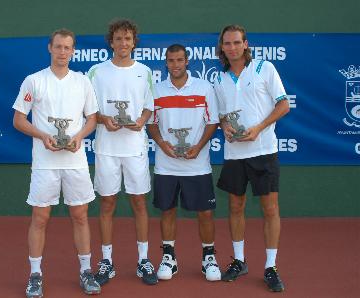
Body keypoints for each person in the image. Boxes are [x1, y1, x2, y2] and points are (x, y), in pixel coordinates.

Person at [12, 28, 101, 297]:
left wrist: (79, 137)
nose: (63, 52)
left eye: (68, 48)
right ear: (49, 48)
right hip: (44, 162)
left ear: (73, 51)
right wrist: (42, 135)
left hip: (75, 161)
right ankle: (35, 275)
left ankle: (86, 270)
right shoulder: (33, 81)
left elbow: (92, 119)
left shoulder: (83, 82)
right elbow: (18, 120)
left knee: (80, 215)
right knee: (40, 217)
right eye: (58, 47)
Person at [213, 24, 289, 292]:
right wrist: (225, 127)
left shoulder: (264, 68)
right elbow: (222, 115)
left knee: (270, 210)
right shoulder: (219, 79)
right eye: (227, 43)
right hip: (234, 154)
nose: (232, 48)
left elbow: (283, 104)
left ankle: (271, 266)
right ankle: (240, 261)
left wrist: (258, 128)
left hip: (264, 151)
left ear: (245, 44)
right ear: (222, 47)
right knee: (235, 207)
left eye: (236, 43)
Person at [88, 19, 157, 286]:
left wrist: (141, 121)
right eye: (118, 39)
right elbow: (90, 110)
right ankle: (106, 261)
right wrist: (105, 120)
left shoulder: (144, 71)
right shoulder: (96, 72)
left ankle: (143, 259)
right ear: (111, 42)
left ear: (134, 41)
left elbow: (149, 107)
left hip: (135, 149)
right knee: (107, 203)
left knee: (139, 202)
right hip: (106, 148)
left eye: (128, 38)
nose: (123, 43)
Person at [147, 44, 222, 282]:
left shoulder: (204, 87)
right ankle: (169, 257)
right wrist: (163, 144)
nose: (176, 64)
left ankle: (208, 257)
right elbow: (151, 123)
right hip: (166, 164)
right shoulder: (156, 90)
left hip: (197, 164)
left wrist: (198, 147)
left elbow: (213, 122)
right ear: (165, 62)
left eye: (180, 60)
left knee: (205, 213)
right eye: (171, 60)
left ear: (187, 61)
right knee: (167, 211)